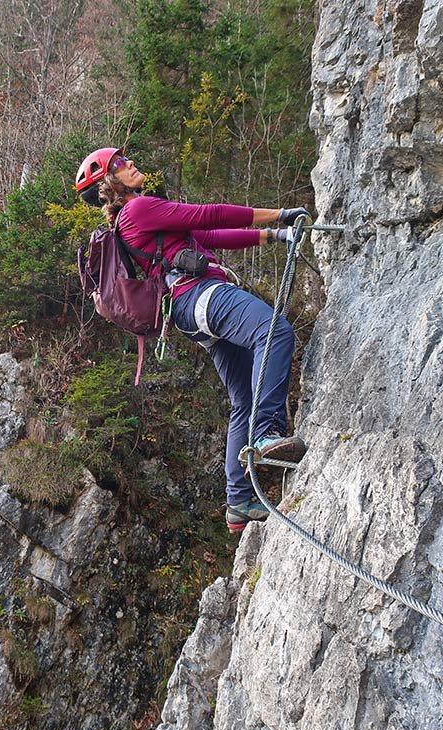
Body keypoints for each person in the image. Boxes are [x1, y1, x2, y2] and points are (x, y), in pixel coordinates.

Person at [75, 147, 309, 533]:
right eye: (119, 164)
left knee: (242, 400)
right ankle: (266, 434)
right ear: (110, 183)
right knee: (274, 332)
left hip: (189, 314)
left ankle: (239, 502)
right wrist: (280, 213)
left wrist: (275, 234)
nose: (130, 163)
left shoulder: (135, 220)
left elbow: (209, 235)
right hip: (199, 295)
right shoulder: (138, 209)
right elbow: (209, 214)